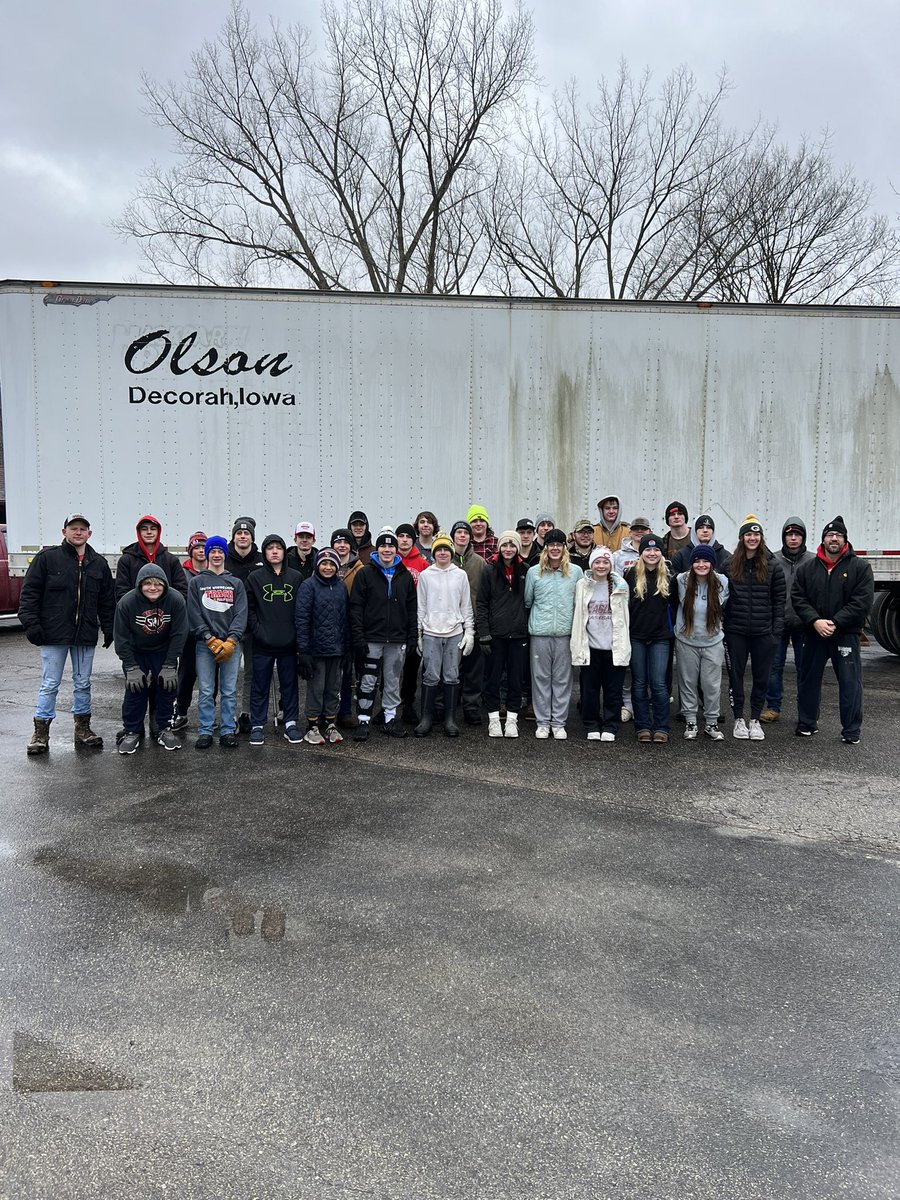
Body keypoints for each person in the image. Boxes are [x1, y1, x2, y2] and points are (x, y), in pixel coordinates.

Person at [18, 513, 116, 754]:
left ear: (89, 533)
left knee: (83, 683)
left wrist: (109, 627)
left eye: (83, 529)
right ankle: (41, 733)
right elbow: (29, 594)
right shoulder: (47, 559)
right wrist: (31, 624)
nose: (78, 532)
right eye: (73, 528)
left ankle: (83, 729)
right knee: (50, 683)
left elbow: (106, 600)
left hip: (85, 634)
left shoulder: (98, 563)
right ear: (64, 532)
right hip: (53, 635)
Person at [792, 516, 874, 744]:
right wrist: (815, 621)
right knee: (808, 680)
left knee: (850, 683)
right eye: (830, 535)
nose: (834, 538)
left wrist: (836, 622)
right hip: (814, 633)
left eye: (838, 535)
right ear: (823, 539)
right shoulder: (807, 568)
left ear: (845, 539)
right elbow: (798, 598)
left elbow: (862, 602)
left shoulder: (860, 568)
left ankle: (851, 731)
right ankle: (807, 723)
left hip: (845, 634)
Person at [349, 529, 417, 740]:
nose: (387, 550)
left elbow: (412, 608)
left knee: (393, 680)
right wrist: (358, 636)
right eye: (383, 546)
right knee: (368, 680)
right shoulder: (365, 573)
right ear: (377, 549)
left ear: (396, 550)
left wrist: (412, 636)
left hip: (396, 639)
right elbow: (356, 607)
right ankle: (363, 720)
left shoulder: (404, 575)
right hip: (372, 638)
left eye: (390, 546)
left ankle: (389, 718)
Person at [113, 563, 188, 754]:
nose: (152, 588)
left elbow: (179, 633)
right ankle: (132, 730)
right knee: (135, 689)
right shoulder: (127, 602)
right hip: (136, 651)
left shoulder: (175, 599)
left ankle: (164, 728)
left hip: (163, 651)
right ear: (140, 585)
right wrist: (130, 666)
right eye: (147, 584)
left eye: (157, 584)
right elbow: (121, 637)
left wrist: (170, 663)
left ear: (165, 585)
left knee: (167, 688)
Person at [724, 515, 785, 741]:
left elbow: (779, 601)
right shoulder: (729, 564)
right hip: (736, 632)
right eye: (748, 534)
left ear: (761, 537)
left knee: (762, 678)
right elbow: (721, 597)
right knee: (736, 677)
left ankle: (755, 719)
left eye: (756, 534)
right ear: (742, 538)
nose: (752, 538)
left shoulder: (773, 565)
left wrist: (775, 632)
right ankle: (739, 718)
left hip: (763, 633)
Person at [187, 535, 248, 749]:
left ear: (225, 554)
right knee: (206, 690)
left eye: (220, 551)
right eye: (212, 551)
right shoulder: (196, 582)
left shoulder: (235, 583)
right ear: (207, 554)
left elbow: (241, 613)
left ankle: (227, 730)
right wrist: (208, 637)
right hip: (205, 645)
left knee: (229, 690)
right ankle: (205, 730)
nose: (216, 555)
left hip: (231, 645)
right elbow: (194, 613)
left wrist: (232, 640)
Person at [244, 534, 303, 746]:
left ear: (284, 552)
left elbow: (301, 609)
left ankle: (290, 723)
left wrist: (296, 635)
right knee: (259, 684)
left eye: (279, 548)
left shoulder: (296, 577)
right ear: (265, 552)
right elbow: (249, 610)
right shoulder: (255, 578)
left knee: (289, 685)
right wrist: (259, 631)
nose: (275, 551)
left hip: (289, 643)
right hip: (263, 643)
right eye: (270, 548)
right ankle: (258, 724)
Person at [524, 528, 582, 739]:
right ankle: (542, 723)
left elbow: (579, 602)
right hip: (540, 632)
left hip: (565, 634)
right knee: (540, 678)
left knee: (562, 679)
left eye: (559, 544)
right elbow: (528, 600)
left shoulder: (575, 572)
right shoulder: (534, 572)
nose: (555, 548)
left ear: (564, 548)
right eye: (551, 544)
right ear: (545, 548)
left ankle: (558, 723)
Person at [416, 531, 474, 737]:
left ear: (451, 552)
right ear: (433, 553)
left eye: (446, 550)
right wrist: (419, 634)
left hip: (454, 632)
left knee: (451, 675)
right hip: (431, 631)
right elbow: (421, 606)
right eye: (438, 550)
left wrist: (469, 632)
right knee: (431, 675)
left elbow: (466, 606)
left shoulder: (460, 575)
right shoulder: (425, 575)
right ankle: (426, 718)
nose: (442, 553)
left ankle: (450, 720)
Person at [570, 547, 630, 741]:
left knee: (613, 691)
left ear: (611, 565)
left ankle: (611, 725)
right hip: (591, 647)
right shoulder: (582, 585)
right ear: (591, 564)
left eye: (605, 562)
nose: (601, 566)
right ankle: (591, 723)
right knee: (590, 689)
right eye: (597, 562)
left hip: (614, 647)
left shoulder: (621, 585)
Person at [760, 518, 815, 723]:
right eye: (789, 535)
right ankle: (773, 707)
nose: (793, 538)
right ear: (784, 537)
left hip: (805, 624)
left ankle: (805, 709)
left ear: (803, 537)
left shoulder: (812, 561)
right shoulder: (773, 560)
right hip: (778, 623)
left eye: (797, 535)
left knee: (804, 668)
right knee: (774, 667)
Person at [476, 530, 529, 738]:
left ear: (517, 548)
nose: (508, 549)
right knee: (493, 679)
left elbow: (529, 601)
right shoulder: (489, 570)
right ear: (499, 548)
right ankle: (494, 720)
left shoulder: (525, 570)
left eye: (512, 545)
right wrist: (483, 633)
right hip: (495, 635)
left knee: (515, 680)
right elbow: (482, 603)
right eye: (505, 545)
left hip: (518, 635)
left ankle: (512, 720)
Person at [295, 547, 351, 745]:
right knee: (316, 689)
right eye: (324, 563)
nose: (328, 567)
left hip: (336, 649)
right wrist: (303, 650)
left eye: (332, 564)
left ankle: (330, 722)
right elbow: (301, 619)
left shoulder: (340, 586)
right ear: (317, 565)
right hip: (316, 649)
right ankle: (312, 725)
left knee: (333, 688)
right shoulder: (308, 586)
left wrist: (347, 647)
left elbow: (345, 618)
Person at [674, 546, 729, 741]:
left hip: (712, 641)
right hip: (687, 639)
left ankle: (711, 722)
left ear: (712, 564)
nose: (701, 565)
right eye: (697, 561)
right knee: (687, 682)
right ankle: (690, 721)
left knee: (711, 685)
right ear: (691, 564)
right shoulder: (681, 580)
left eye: (706, 561)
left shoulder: (722, 581)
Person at [624, 534, 675, 743]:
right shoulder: (630, 575)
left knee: (659, 684)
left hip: (660, 637)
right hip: (636, 636)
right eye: (647, 549)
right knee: (639, 683)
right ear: (641, 552)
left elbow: (676, 605)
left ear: (661, 553)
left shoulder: (670, 575)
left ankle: (661, 726)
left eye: (656, 550)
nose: (652, 553)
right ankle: (643, 726)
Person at [226, 517, 265, 734]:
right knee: (230, 674)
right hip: (230, 627)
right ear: (233, 537)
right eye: (239, 533)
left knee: (251, 673)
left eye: (246, 533)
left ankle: (246, 713)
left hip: (253, 625)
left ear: (252, 537)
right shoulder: (225, 559)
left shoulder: (261, 559)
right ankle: (229, 715)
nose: (243, 536)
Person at [172, 531, 208, 730]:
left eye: (204, 547)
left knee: (210, 677)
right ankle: (181, 711)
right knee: (186, 673)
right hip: (189, 632)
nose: (201, 551)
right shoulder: (182, 572)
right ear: (190, 550)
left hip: (210, 632)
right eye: (197, 547)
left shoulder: (214, 571)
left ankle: (208, 715)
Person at [451, 520, 486, 724]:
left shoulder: (480, 563)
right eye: (459, 532)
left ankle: (471, 707)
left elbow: (485, 594)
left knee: (473, 670)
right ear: (453, 536)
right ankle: (447, 706)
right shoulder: (445, 559)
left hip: (474, 623)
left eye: (465, 532)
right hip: (451, 624)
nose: (462, 536)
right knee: (452, 668)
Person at [331, 529, 365, 728]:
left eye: (346, 542)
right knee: (329, 673)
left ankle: (345, 712)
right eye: (338, 542)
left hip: (351, 627)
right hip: (329, 627)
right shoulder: (325, 564)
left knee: (347, 672)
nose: (342, 546)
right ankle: (326, 712)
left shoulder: (360, 569)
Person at [396, 523, 429, 723]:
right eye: (401, 536)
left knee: (411, 666)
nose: (405, 540)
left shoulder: (423, 564)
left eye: (408, 536)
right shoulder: (391, 560)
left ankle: (408, 704)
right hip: (393, 621)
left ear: (413, 539)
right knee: (390, 668)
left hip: (415, 621)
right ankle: (388, 707)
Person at [115, 515, 188, 601]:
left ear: (158, 532)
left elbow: (181, 591)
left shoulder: (171, 560)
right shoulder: (126, 560)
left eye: (153, 529)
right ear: (139, 532)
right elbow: (121, 592)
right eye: (144, 529)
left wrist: (167, 606)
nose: (149, 532)